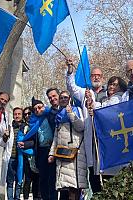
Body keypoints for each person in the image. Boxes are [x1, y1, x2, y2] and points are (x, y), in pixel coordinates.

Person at [66, 58, 100, 193]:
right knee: (94, 176)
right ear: (90, 77)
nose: (96, 77)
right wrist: (70, 70)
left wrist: (95, 105)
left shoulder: (109, 94)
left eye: (99, 75)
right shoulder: (86, 92)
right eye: (93, 75)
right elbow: (71, 87)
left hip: (106, 140)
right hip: (91, 142)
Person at [48, 91, 88, 200]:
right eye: (61, 98)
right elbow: (56, 137)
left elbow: (80, 127)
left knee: (74, 188)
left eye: (66, 97)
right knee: (64, 188)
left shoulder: (77, 110)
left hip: (75, 155)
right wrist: (51, 153)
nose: (63, 99)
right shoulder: (58, 116)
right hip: (62, 154)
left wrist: (70, 114)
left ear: (70, 99)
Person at [20, 106, 41, 200]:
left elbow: (37, 141)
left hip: (37, 155)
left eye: (29, 113)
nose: (27, 115)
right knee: (27, 179)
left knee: (37, 179)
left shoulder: (38, 124)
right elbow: (20, 140)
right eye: (25, 114)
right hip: (26, 156)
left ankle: (37, 197)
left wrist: (26, 144)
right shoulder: (23, 127)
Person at [5, 107, 25, 200]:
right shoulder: (9, 127)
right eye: (15, 114)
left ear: (22, 115)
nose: (17, 116)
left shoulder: (26, 127)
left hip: (22, 158)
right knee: (10, 181)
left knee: (19, 180)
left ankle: (17, 198)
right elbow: (3, 142)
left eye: (19, 114)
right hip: (11, 158)